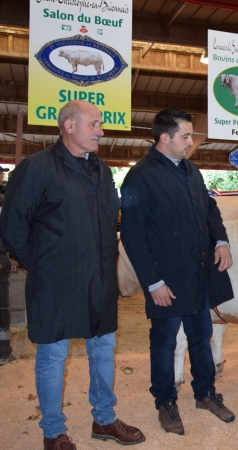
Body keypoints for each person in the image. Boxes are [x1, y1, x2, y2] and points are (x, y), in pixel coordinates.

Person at [0, 101, 145, 450]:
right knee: (53, 357)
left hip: (99, 282)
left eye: (100, 124)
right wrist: (43, 264)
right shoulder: (37, 168)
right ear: (68, 126)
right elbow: (12, 226)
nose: (101, 130)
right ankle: (53, 432)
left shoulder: (102, 169)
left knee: (104, 350)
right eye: (94, 124)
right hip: (55, 283)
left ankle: (105, 420)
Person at [119, 109, 235, 436]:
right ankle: (165, 402)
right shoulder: (139, 176)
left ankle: (205, 394)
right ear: (164, 138)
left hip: (196, 274)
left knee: (201, 337)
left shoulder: (191, 170)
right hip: (165, 281)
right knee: (164, 343)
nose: (190, 141)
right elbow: (132, 235)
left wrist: (221, 240)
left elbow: (209, 208)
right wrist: (153, 282)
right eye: (186, 136)